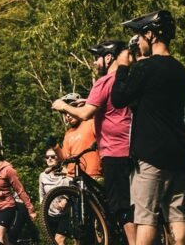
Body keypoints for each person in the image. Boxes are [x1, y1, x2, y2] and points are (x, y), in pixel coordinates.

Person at [112, 10, 185, 245]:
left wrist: (123, 67)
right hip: (177, 154)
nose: (138, 42)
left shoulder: (146, 69)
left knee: (145, 218)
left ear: (150, 34)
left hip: (151, 154)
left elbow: (119, 99)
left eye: (140, 36)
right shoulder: (179, 70)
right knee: (176, 214)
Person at [54, 40, 133, 244]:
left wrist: (63, 105)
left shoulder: (104, 82)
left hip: (114, 152)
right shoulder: (126, 80)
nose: (94, 62)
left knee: (121, 207)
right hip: (133, 148)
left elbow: (85, 113)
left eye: (96, 57)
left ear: (108, 58)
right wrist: (88, 100)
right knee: (132, 203)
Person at [0, 144, 35, 245]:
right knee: (4, 240)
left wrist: (30, 209)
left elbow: (20, 190)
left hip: (6, 206)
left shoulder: (8, 169)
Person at [54, 93, 102, 178]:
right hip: (73, 177)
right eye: (64, 113)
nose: (67, 115)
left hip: (92, 175)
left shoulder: (91, 123)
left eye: (69, 111)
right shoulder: (68, 133)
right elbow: (65, 158)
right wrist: (55, 146)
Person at [39, 149, 72, 245]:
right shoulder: (43, 176)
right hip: (49, 214)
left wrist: (66, 199)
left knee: (59, 240)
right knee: (51, 242)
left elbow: (73, 189)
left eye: (53, 156)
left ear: (58, 158)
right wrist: (42, 212)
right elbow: (42, 195)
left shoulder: (66, 173)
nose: (49, 159)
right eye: (47, 157)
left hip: (64, 214)